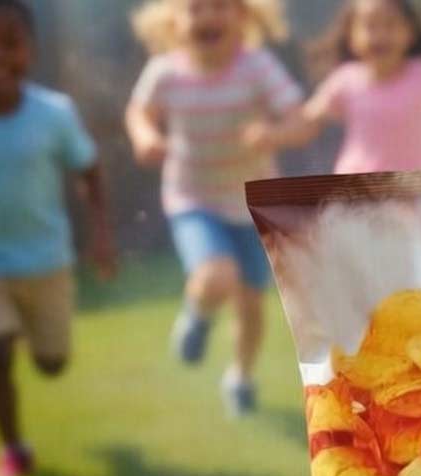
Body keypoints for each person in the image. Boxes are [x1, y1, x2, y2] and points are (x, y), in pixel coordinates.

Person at [125, 0, 303, 416]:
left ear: (242, 16)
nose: (207, 17)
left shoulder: (257, 67)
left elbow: (297, 119)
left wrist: (272, 133)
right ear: (175, 23)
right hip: (193, 197)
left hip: (251, 200)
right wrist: (145, 135)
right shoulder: (165, 72)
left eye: (219, 6)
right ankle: (197, 314)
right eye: (195, 9)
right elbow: (139, 111)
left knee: (251, 305)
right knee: (215, 275)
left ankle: (240, 377)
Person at [0, 0, 115, 476]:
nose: (0, 55)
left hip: (47, 262)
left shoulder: (53, 113)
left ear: (32, 50)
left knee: (51, 363)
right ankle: (16, 449)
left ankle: (29, 334)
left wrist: (101, 234)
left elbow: (89, 169)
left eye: (10, 43)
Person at [248, 0, 421, 175]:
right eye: (370, 26)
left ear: (410, 32)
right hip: (360, 188)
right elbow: (307, 123)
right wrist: (273, 135)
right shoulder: (346, 81)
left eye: (390, 25)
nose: (380, 36)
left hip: (420, 185)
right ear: (351, 36)